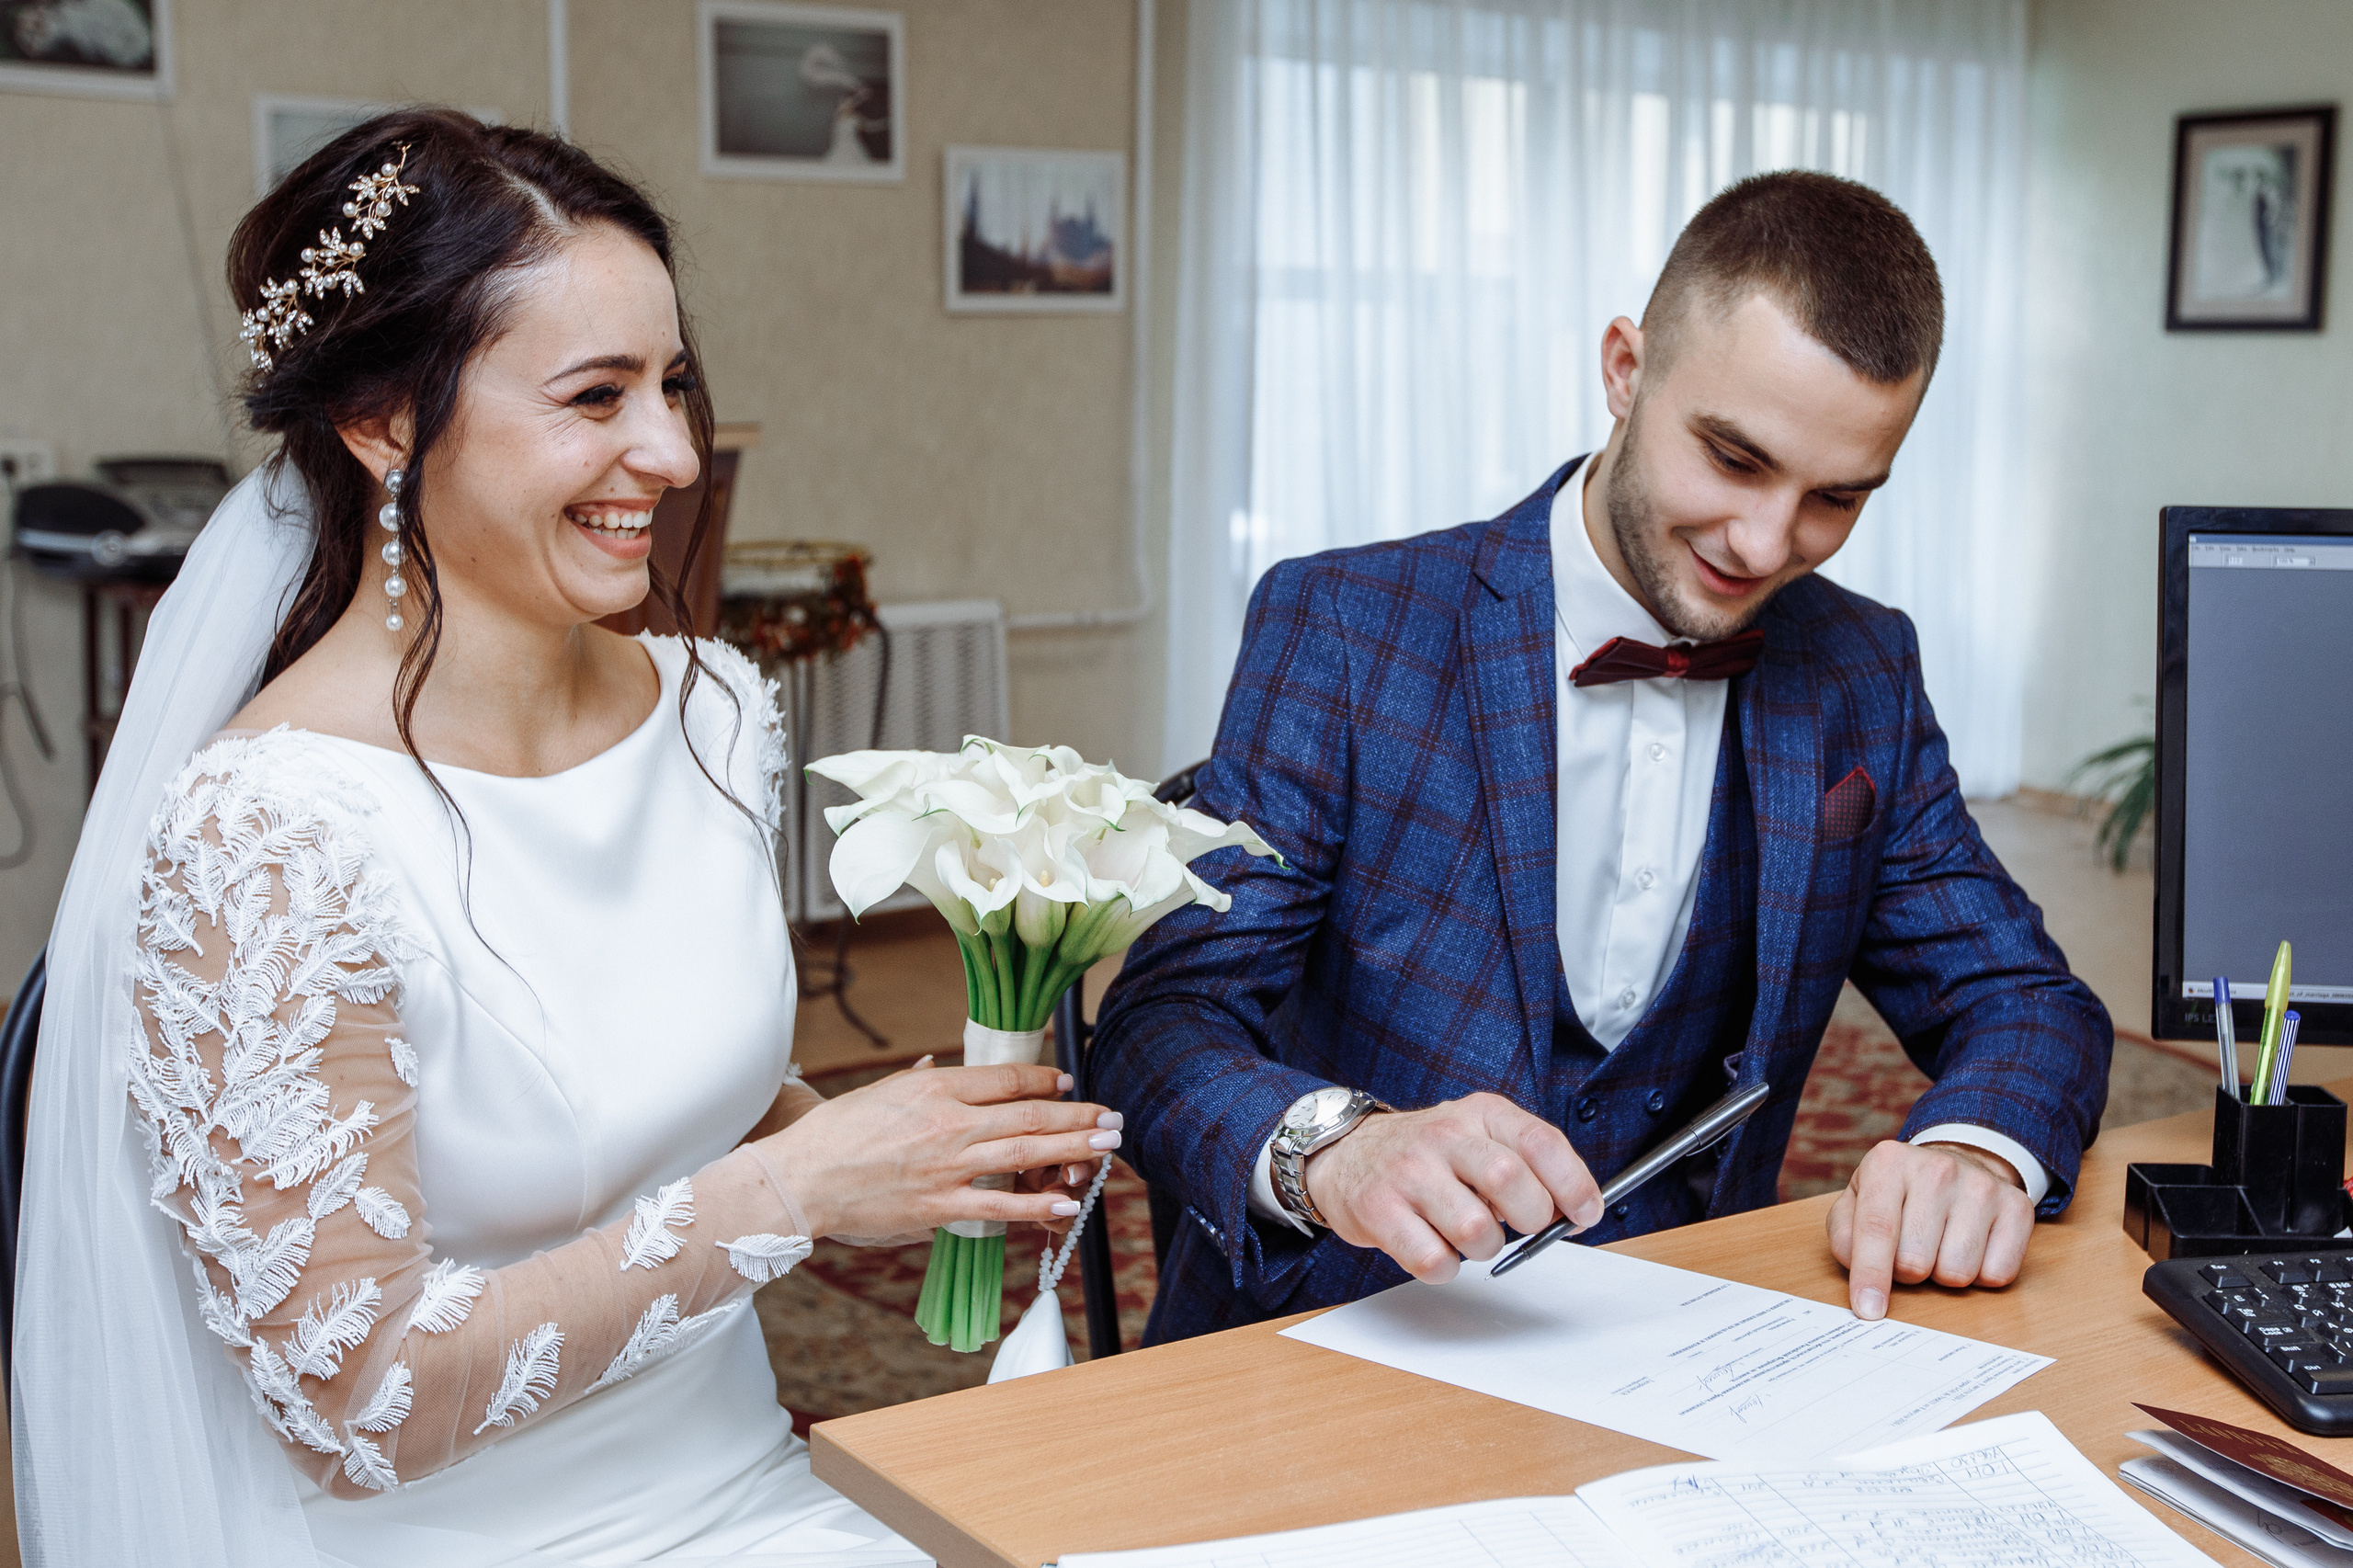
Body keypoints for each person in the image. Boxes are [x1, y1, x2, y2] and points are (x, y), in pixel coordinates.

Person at [16, 108, 1121, 1567]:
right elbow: (355, 1400)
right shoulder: (270, 837)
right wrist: (795, 1193)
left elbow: (647, 1101)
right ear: (384, 422)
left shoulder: (711, 709)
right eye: (596, 397)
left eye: (673, 382)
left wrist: (900, 1152)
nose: (670, 453)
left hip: (749, 1492)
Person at [1091, 170, 2112, 1345]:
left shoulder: (1858, 669)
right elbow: (1160, 1024)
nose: (1765, 543)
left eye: (1835, 498)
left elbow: (2024, 998)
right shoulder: (1345, 625)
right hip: (1337, 1334)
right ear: (1625, 369)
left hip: (1689, 1345)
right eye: (1732, 458)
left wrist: (1975, 1149)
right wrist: (1342, 1145)